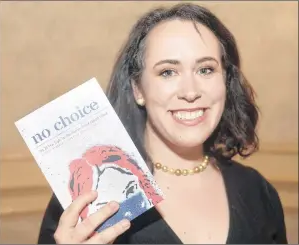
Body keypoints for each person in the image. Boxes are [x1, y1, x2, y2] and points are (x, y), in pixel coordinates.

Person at [37, 3, 288, 244]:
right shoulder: (86, 195)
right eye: (167, 72)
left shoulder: (257, 191)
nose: (190, 91)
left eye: (206, 70)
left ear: (225, 80)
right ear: (138, 89)